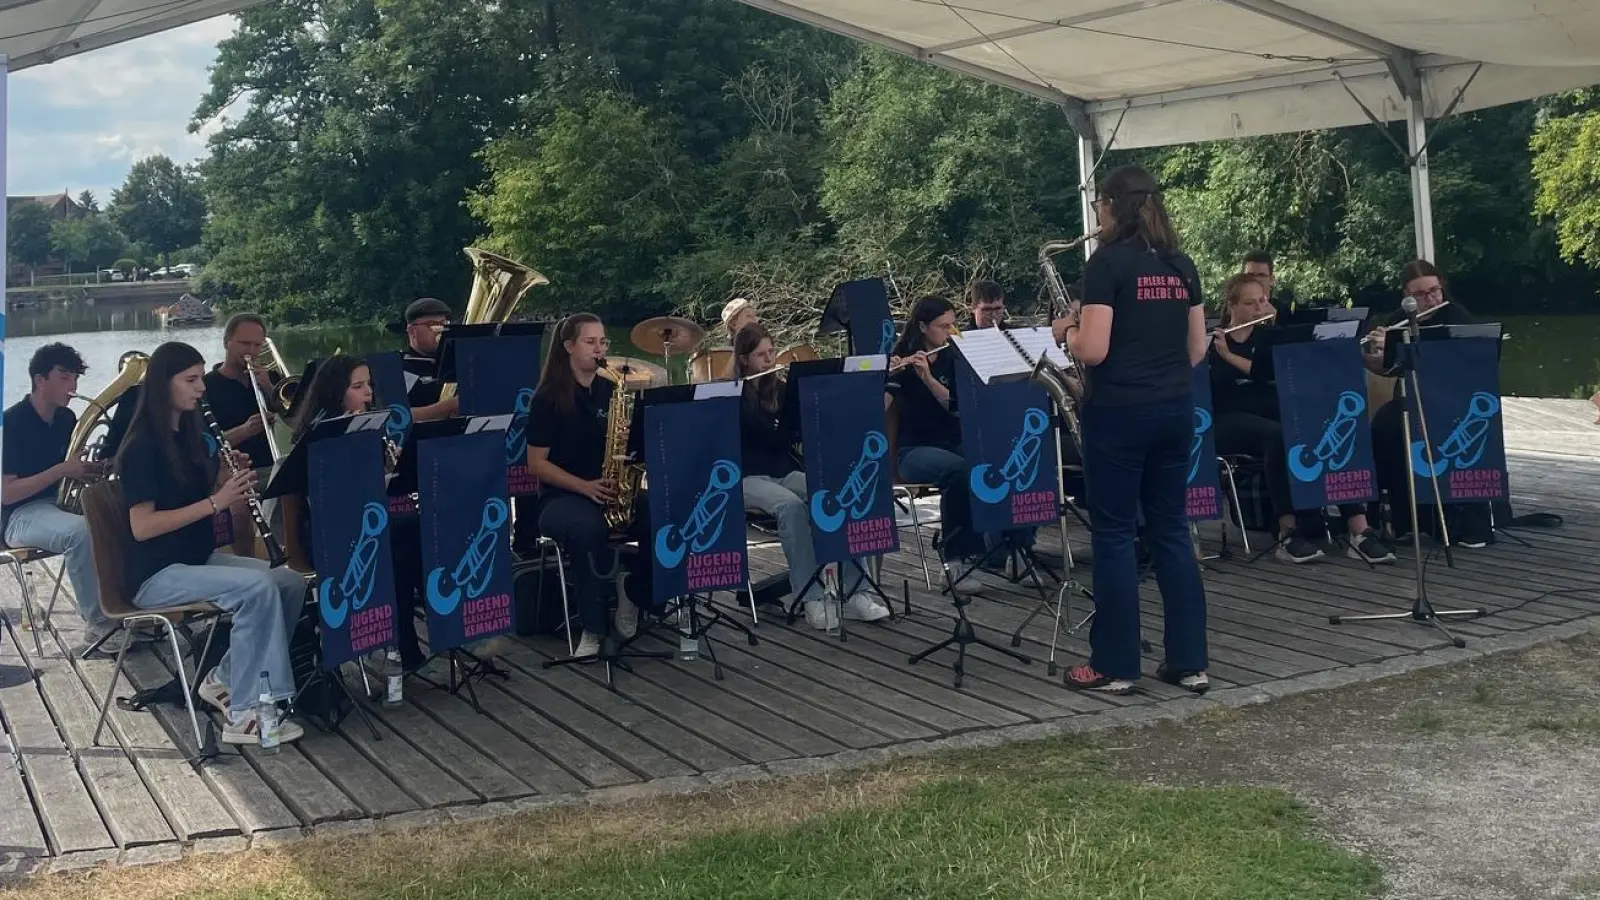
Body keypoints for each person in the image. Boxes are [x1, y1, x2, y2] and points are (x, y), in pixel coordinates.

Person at [1051, 163, 1210, 696]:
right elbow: (1196, 350)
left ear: (1114, 205)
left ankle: (1115, 664)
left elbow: (1092, 350)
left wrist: (1067, 328)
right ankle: (1189, 662)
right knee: (1170, 531)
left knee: (1115, 535)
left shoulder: (1107, 264)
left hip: (1119, 413)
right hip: (1175, 411)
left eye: (1099, 203)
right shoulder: (1181, 264)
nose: (1096, 213)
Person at [114, 341, 308, 745]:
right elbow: (142, 527)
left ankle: (222, 679)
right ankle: (244, 713)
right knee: (256, 589)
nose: (202, 388)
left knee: (289, 581)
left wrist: (227, 479)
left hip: (193, 559)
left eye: (201, 378)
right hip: (155, 574)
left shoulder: (187, 437)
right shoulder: (140, 448)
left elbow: (200, 496)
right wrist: (216, 502)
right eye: (191, 380)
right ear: (163, 385)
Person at [1209, 274, 1396, 564]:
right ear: (1232, 306)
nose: (1260, 308)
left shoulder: (1269, 338)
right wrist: (1225, 353)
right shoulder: (1213, 342)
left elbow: (1274, 374)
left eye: (1263, 300)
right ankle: (1287, 532)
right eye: (1250, 303)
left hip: (1271, 411)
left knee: (1325, 424)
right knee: (1279, 436)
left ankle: (1358, 527)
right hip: (1226, 418)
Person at [731, 324, 891, 629]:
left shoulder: (779, 391)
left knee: (838, 493)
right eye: (760, 355)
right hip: (747, 478)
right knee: (791, 507)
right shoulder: (733, 394)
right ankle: (812, 598)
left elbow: (796, 434)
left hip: (783, 471)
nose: (768, 360)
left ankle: (856, 592)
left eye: (771, 352)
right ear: (743, 360)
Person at [290, 355, 429, 671]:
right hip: (332, 530)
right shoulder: (317, 434)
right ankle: (413, 637)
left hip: (371, 523)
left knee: (410, 537)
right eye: (358, 386)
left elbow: (384, 485)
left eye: (369, 384)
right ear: (335, 391)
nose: (368, 392)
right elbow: (325, 494)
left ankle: (408, 640)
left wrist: (395, 465)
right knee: (407, 534)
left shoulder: (374, 425)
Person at [527, 314, 651, 659]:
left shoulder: (609, 389)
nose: (600, 349)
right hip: (561, 496)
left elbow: (622, 450)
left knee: (662, 512)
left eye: (603, 342)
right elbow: (536, 465)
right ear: (568, 347)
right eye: (591, 342)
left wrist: (627, 444)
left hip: (607, 488)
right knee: (587, 529)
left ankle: (636, 592)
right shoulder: (547, 398)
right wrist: (584, 487)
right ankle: (592, 629)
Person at [1, 343, 123, 649]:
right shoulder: (12, 422)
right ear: (40, 380)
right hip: (18, 516)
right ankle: (100, 625)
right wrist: (61, 470)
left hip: (57, 506)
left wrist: (91, 469)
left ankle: (127, 607)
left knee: (124, 517)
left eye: (75, 379)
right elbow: (6, 493)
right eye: (65, 377)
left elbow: (69, 471)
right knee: (80, 532)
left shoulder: (67, 418)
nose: (73, 386)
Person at [1362, 260, 1491, 548]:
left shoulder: (1458, 318)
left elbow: (1468, 364)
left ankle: (1469, 522)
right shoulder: (1402, 318)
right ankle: (1405, 519)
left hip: (1455, 402)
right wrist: (1373, 354)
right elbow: (1390, 368)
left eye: (1434, 291)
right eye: (1420, 295)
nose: (1431, 299)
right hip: (1415, 399)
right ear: (1407, 297)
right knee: (1385, 425)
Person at [886, 296, 1008, 594]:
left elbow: (955, 407)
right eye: (943, 326)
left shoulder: (955, 356)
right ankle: (954, 563)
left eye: (953, 324)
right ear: (923, 327)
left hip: (953, 440)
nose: (951, 331)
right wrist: (884, 376)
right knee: (961, 472)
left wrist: (929, 378)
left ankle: (1007, 546)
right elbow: (880, 408)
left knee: (999, 460)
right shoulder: (901, 357)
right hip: (913, 450)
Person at [203, 314, 284, 472]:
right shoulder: (205, 386)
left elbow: (296, 421)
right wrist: (245, 430)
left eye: (257, 345)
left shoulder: (271, 377)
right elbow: (203, 446)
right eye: (245, 344)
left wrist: (269, 387)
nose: (252, 351)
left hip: (272, 467)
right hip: (231, 475)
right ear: (226, 342)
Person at [399, 298, 461, 423]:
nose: (441, 330)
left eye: (444, 324)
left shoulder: (459, 361)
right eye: (433, 325)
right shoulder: (399, 368)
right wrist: (449, 406)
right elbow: (396, 418)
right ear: (412, 331)